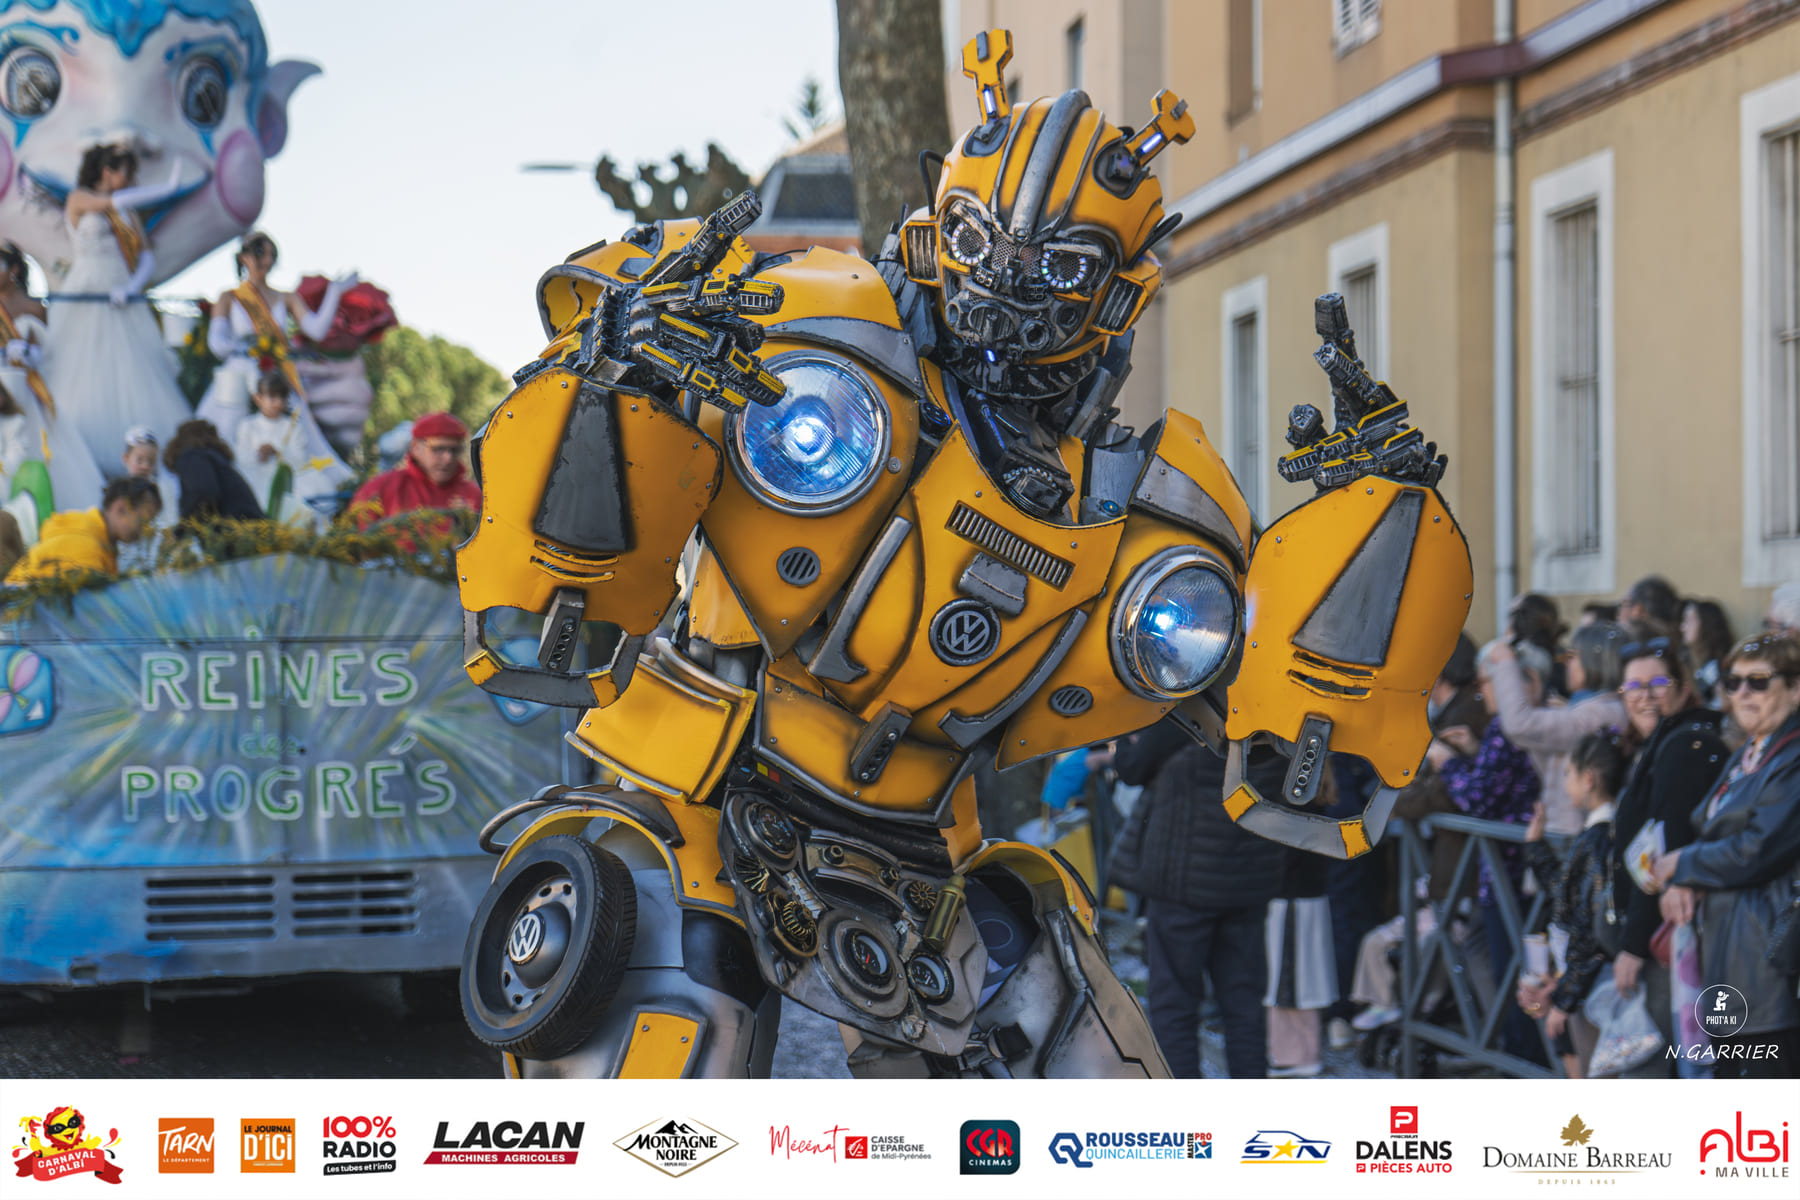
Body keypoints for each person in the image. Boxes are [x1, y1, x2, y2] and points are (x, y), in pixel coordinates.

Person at [1651, 634, 1800, 1079]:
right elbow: (1713, 833)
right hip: (1727, 952)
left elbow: (1758, 849)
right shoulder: (1748, 756)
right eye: (1734, 682)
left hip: (1769, 964)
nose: (1743, 693)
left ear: (1795, 688)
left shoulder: (1793, 758)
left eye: (1759, 681)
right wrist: (1685, 878)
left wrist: (1684, 864)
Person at [1108, 717, 1289, 1077]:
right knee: (1244, 1004)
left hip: (1183, 882)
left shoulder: (1190, 711)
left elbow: (1132, 769)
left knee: (1174, 1002)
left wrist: (1122, 738)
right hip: (1248, 878)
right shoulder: (1279, 715)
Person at [1607, 636, 1728, 1070]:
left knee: (1651, 1068)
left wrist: (1633, 946)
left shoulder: (1684, 745)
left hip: (1668, 939)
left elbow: (1663, 854)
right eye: (1633, 686)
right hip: (1666, 935)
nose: (1644, 695)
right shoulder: (1664, 741)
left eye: (1657, 682)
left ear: (1683, 686)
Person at [41, 145, 192, 466]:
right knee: (81, 367)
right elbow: (113, 203)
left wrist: (132, 288)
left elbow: (146, 257)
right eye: (124, 171)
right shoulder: (80, 198)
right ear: (106, 171)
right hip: (88, 291)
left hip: (123, 295)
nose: (129, 178)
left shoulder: (129, 214)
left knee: (134, 368)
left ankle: (142, 456)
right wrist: (166, 189)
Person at [1429, 640, 1544, 1063]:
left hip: (1509, 869)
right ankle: (1502, 1047)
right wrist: (1474, 754)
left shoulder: (1507, 726)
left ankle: (1517, 1057)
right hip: (1511, 868)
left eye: (1487, 681)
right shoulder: (1519, 725)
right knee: (1493, 951)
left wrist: (1447, 763)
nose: (1482, 691)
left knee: (1512, 965)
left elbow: (1479, 798)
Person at [1516, 730, 1630, 1077]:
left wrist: (1565, 998)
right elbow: (1570, 893)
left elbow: (1587, 923)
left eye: (1569, 774)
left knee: (1592, 1069)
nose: (1564, 783)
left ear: (1589, 779)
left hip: (1593, 982)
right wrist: (1536, 848)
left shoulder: (1598, 837)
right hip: (1587, 978)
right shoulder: (1602, 833)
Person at [196, 231, 356, 467]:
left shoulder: (286, 297)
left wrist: (334, 292)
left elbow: (316, 330)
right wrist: (246, 348)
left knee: (294, 438)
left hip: (276, 376)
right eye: (261, 253)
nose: (267, 260)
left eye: (272, 255)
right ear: (243, 258)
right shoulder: (229, 297)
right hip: (238, 377)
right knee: (226, 432)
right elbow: (216, 344)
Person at [1487, 624, 1628, 836]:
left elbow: (1519, 725)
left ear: (1594, 661)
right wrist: (1536, 703)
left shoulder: (1604, 713)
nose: (1566, 663)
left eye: (1572, 656)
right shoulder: (1588, 708)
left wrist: (1505, 663)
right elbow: (1549, 768)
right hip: (1565, 834)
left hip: (1576, 837)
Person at [1, 241, 105, 513]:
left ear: (13, 269)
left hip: (26, 388)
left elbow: (48, 352)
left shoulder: (34, 306)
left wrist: (26, 354)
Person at [4, 476, 161, 584]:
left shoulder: (99, 541)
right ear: (121, 508)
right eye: (144, 521)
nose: (147, 530)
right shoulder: (86, 548)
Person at [232, 371, 338, 523]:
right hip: (255, 474)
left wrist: (277, 453)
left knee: (306, 492)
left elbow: (299, 460)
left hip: (289, 477)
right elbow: (241, 457)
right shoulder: (248, 426)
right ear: (258, 398)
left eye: (282, 398)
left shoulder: (292, 426)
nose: (278, 403)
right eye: (272, 397)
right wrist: (259, 454)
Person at [350, 411, 481, 530]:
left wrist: (469, 521)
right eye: (438, 449)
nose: (448, 458)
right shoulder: (380, 489)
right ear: (415, 447)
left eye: (454, 450)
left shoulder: (475, 496)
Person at [162, 420, 263, 527]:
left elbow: (203, 493)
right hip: (254, 527)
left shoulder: (192, 456)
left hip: (236, 529)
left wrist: (185, 527)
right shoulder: (216, 461)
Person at [1682, 599, 1737, 706]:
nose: (1683, 627)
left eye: (1689, 620)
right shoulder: (1689, 662)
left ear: (1706, 624)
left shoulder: (1722, 667)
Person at [1619, 574, 1681, 641]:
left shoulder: (1624, 643)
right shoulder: (1680, 640)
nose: (1619, 613)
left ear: (1638, 610)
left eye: (1624, 605)